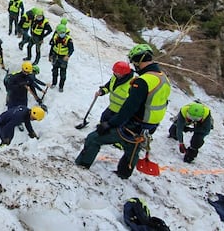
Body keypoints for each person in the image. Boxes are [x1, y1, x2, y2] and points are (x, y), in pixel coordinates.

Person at [75, 44, 171, 179]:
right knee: (132, 150)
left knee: (93, 138)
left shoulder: (143, 81)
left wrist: (110, 124)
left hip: (134, 124)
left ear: (138, 60)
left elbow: (129, 108)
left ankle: (81, 165)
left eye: (134, 61)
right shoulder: (163, 78)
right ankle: (124, 174)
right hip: (149, 126)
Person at [49, 24, 74, 92]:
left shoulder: (68, 40)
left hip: (63, 58)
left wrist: (68, 55)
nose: (62, 34)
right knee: (54, 71)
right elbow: (52, 47)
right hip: (55, 56)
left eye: (63, 32)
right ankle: (54, 83)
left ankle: (61, 86)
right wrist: (50, 55)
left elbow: (71, 49)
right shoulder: (55, 38)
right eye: (60, 32)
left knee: (63, 73)